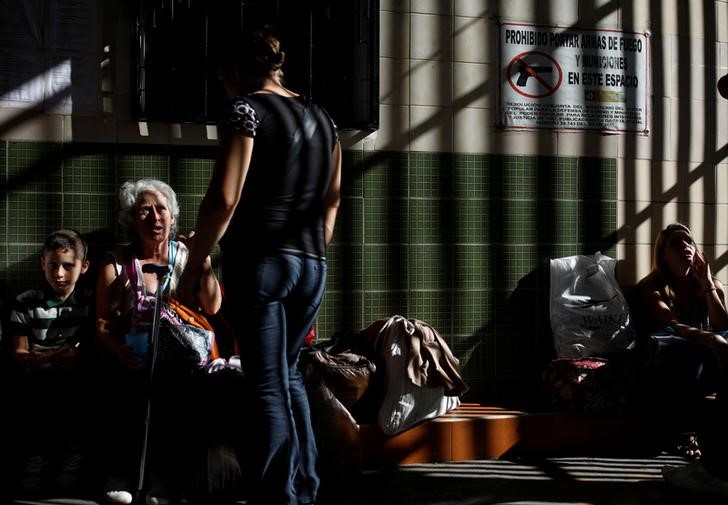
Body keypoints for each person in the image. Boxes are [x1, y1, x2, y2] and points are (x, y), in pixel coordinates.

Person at [176, 26, 342, 505]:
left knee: (265, 382)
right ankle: (303, 490)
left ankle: (277, 497)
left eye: (222, 80)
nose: (222, 90)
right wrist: (308, 249)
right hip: (312, 262)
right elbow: (331, 204)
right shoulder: (324, 118)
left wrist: (195, 266)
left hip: (262, 262)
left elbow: (223, 200)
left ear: (232, 72)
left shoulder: (244, 109)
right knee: (287, 374)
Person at [95, 179, 222, 505]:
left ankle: (161, 478)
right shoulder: (117, 264)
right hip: (134, 358)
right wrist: (118, 351)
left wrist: (203, 261)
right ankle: (123, 473)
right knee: (129, 390)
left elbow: (212, 307)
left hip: (182, 361)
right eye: (144, 210)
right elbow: (104, 323)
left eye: (161, 209)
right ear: (131, 220)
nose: (155, 217)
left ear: (172, 216)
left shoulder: (186, 257)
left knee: (174, 394)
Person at [9, 229, 93, 496]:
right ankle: (34, 469)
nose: (59, 273)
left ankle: (70, 471)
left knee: (78, 406)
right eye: (53, 265)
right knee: (40, 407)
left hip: (76, 381)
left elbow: (91, 351)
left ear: (84, 267)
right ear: (42, 263)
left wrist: (71, 358)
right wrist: (52, 356)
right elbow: (20, 353)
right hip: (37, 382)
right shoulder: (25, 303)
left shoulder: (90, 303)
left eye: (68, 266)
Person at [636, 223, 728, 456]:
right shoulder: (653, 286)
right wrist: (713, 339)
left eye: (689, 241)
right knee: (694, 352)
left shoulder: (711, 283)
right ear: (663, 255)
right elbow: (674, 326)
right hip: (670, 351)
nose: (685, 246)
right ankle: (687, 433)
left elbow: (723, 326)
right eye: (676, 243)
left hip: (709, 348)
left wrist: (707, 285)